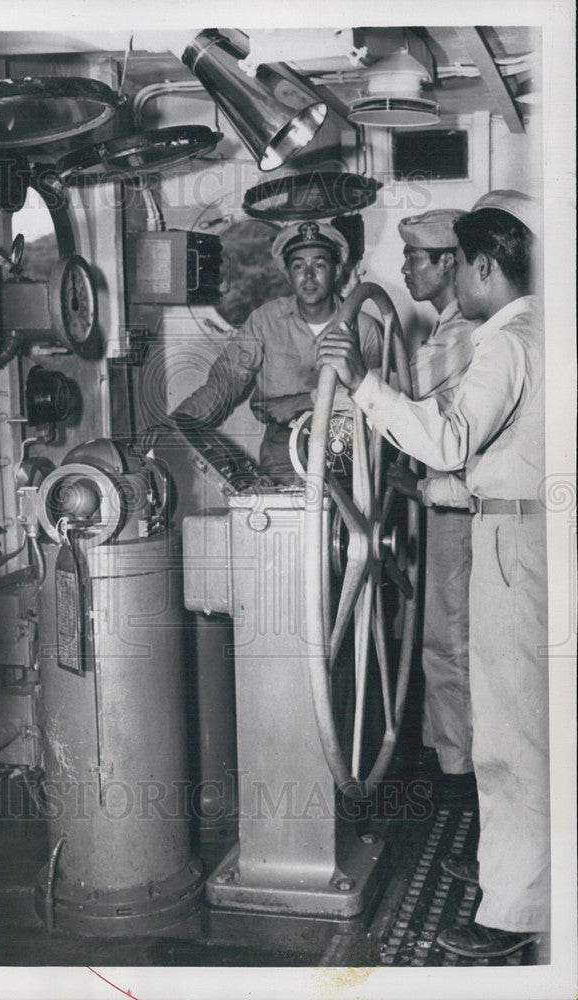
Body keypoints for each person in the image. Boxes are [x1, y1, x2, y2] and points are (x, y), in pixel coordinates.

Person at [316, 190, 548, 959]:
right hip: (520, 527)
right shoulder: (542, 334)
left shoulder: (504, 342)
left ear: (479, 265)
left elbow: (448, 438)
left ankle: (513, 916)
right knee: (528, 727)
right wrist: (429, 491)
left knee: (512, 736)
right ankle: (515, 876)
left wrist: (361, 386)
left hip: (515, 554)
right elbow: (501, 464)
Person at [140, 220, 382, 480]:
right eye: (298, 266)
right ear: (288, 274)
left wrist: (305, 401)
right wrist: (176, 424)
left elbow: (381, 398)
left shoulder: (366, 329)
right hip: (282, 459)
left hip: (348, 454)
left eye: (319, 265)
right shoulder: (264, 322)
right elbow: (225, 384)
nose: (308, 276)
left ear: (336, 271)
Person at [389, 210, 478, 806]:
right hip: (436, 498)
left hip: (457, 505)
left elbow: (407, 393)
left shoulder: (462, 334)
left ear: (449, 263)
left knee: (449, 637)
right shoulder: (448, 329)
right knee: (433, 631)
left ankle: (458, 779)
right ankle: (445, 753)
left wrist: (340, 386)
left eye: (416, 258)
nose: (404, 268)